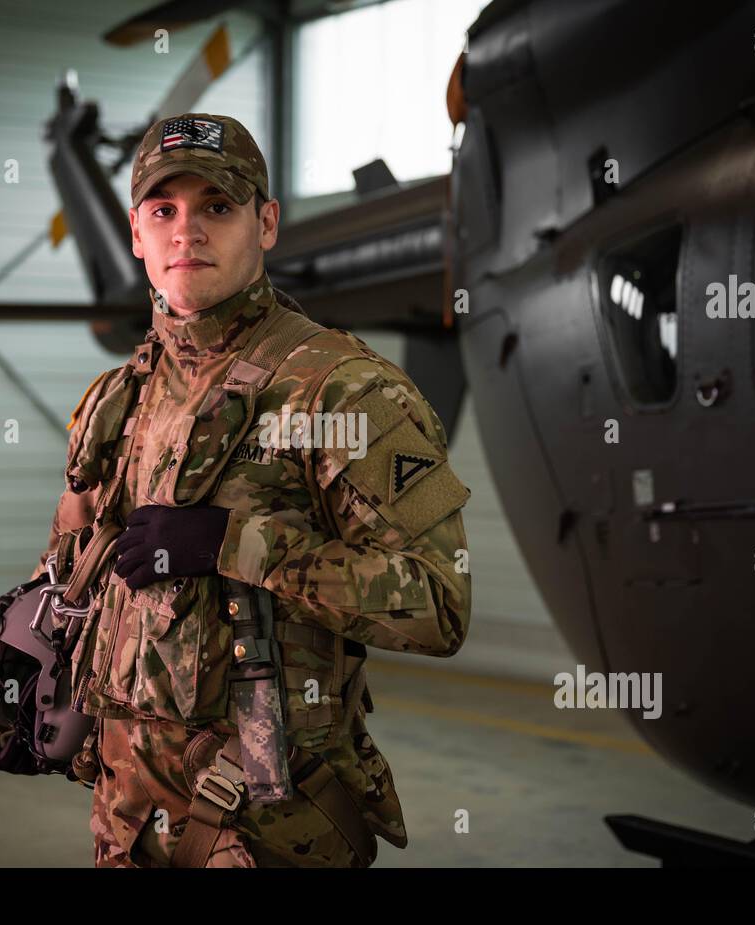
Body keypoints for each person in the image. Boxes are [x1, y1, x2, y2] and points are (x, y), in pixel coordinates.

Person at [32, 112, 472, 867]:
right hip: (124, 825)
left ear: (266, 223)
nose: (186, 232)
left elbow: (438, 604)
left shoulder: (343, 392)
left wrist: (234, 544)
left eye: (218, 207)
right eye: (163, 210)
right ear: (135, 232)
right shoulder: (115, 399)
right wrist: (28, 664)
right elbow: (74, 578)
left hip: (266, 834)